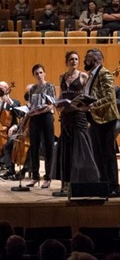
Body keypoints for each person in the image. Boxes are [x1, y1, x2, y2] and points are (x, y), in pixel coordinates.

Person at [50, 51, 100, 197]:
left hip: (78, 115)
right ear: (66, 61)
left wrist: (80, 105)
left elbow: (89, 95)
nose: (74, 61)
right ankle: (65, 183)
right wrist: (57, 104)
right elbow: (61, 95)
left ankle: (83, 182)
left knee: (81, 148)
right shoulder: (62, 77)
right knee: (66, 148)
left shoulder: (84, 76)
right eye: (71, 59)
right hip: (65, 116)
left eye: (76, 59)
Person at [81, 48, 120, 197]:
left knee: (108, 154)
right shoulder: (91, 75)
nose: (85, 61)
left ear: (96, 60)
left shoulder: (105, 73)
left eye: (87, 58)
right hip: (95, 119)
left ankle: (114, 186)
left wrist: (90, 106)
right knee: (98, 154)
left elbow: (109, 97)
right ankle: (104, 183)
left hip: (106, 119)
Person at [25, 64, 56, 188]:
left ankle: (48, 177)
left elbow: (51, 105)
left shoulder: (50, 86)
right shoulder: (32, 88)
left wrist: (40, 111)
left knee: (48, 147)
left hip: (46, 117)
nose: (39, 75)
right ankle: (35, 176)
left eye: (41, 72)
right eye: (36, 73)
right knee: (34, 147)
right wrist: (30, 109)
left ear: (44, 73)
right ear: (34, 75)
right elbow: (31, 104)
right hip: (34, 118)